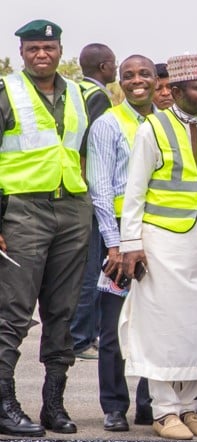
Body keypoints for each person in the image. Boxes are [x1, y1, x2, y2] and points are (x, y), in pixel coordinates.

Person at [117, 53, 197, 442]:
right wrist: (131, 244)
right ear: (179, 90)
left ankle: (190, 407)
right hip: (161, 243)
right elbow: (134, 192)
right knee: (163, 328)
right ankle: (165, 410)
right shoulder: (153, 128)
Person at [0, 20, 95, 438]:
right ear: (22, 53)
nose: (43, 54)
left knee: (63, 313)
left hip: (71, 209)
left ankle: (53, 405)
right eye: (34, 48)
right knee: (13, 314)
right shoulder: (7, 92)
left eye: (50, 47)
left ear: (61, 51)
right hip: (23, 211)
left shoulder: (78, 92)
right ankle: (4, 403)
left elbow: (81, 151)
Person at [87, 54, 156, 432]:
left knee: (154, 322)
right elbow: (99, 191)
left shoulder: (164, 124)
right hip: (116, 235)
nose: (136, 81)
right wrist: (114, 246)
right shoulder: (108, 124)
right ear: (119, 82)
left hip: (157, 234)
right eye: (128, 75)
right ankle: (114, 405)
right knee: (113, 325)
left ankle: (149, 403)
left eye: (144, 73)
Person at [70, 41, 117, 361]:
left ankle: (84, 334)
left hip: (72, 185)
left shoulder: (76, 90)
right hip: (88, 189)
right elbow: (95, 145)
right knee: (91, 268)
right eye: (113, 64)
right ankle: (82, 337)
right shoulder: (98, 96)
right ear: (104, 67)